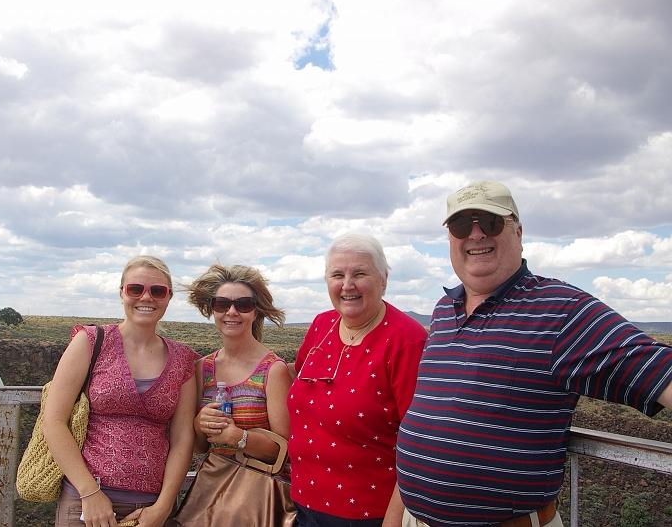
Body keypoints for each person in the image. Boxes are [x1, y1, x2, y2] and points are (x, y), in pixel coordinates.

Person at [397, 180, 672, 527]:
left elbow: (660, 371)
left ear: (518, 232)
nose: (476, 234)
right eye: (462, 225)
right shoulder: (442, 311)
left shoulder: (561, 310)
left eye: (491, 222)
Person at [43, 255, 198, 527]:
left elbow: (182, 438)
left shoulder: (183, 360)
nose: (146, 297)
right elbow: (53, 422)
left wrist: (163, 507)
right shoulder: (90, 341)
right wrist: (89, 493)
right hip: (85, 504)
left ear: (168, 297)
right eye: (135, 289)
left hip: (150, 509)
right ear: (122, 293)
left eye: (157, 291)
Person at [288, 232, 427, 527]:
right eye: (337, 275)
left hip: (369, 515)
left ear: (383, 280)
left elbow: (419, 445)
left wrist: (393, 521)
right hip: (304, 504)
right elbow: (296, 379)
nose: (347, 285)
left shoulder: (406, 341)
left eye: (360, 274)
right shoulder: (322, 325)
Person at [186, 264, 292, 465]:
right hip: (213, 482)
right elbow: (199, 447)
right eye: (222, 304)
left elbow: (285, 451)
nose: (232, 311)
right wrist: (199, 425)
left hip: (255, 484)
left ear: (255, 312)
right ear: (213, 310)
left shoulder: (273, 370)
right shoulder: (202, 369)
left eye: (243, 304)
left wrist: (239, 438)